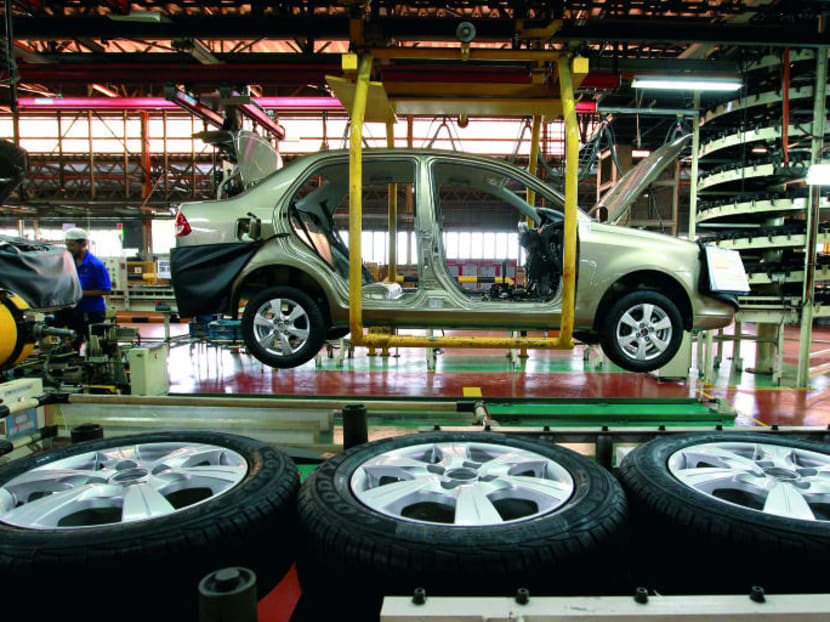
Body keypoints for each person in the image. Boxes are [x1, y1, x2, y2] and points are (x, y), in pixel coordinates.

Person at [54, 227, 112, 348]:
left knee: (95, 346)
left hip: (92, 312)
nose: (69, 248)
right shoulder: (67, 263)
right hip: (73, 311)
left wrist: (79, 293)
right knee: (71, 344)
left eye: (72, 245)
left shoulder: (95, 265)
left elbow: (106, 290)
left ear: (83, 244)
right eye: (67, 245)